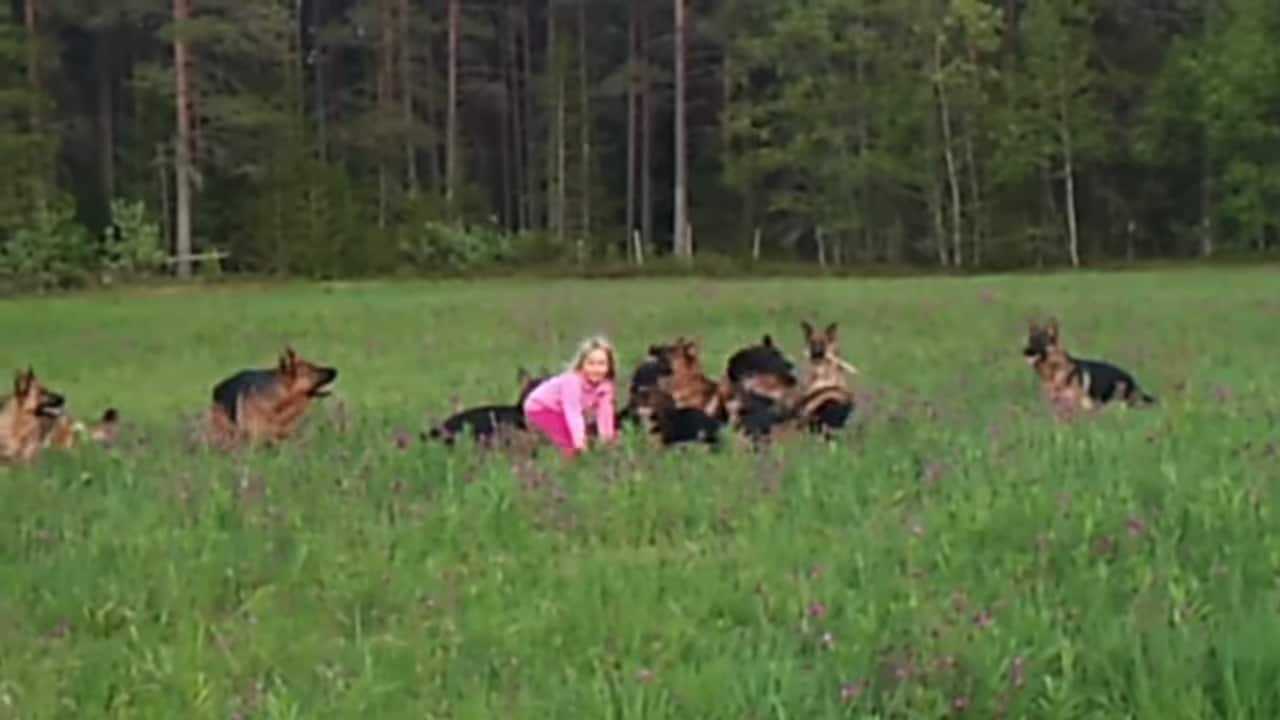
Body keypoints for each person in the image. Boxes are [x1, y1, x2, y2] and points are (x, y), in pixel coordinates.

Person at [523, 335, 617, 458]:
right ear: (582, 364)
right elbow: (573, 413)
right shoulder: (572, 381)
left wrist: (607, 443)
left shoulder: (606, 387)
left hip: (560, 410)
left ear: (609, 366)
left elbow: (605, 415)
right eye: (591, 363)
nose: (596, 369)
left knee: (578, 436)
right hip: (540, 407)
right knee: (569, 443)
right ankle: (568, 467)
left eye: (601, 364)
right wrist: (580, 444)